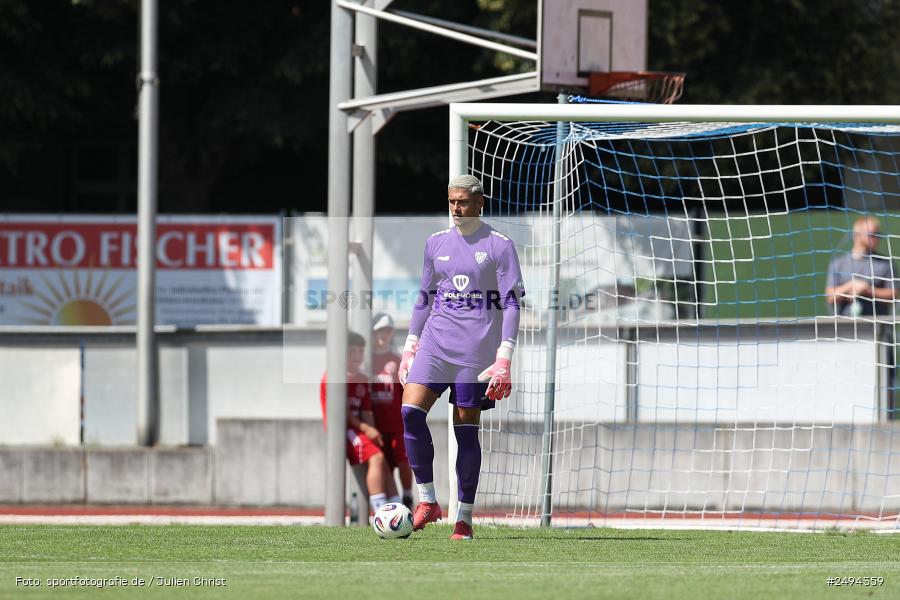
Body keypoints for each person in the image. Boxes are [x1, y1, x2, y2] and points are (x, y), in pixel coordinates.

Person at [398, 174, 525, 540]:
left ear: (479, 203)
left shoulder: (500, 246)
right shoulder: (435, 242)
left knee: (465, 431)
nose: (456, 208)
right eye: (452, 201)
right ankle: (428, 501)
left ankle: (463, 519)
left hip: (476, 352)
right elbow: (425, 296)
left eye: (463, 202)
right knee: (410, 412)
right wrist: (410, 346)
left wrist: (504, 358)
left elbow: (511, 304)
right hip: (435, 346)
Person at [320, 330, 398, 514]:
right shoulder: (332, 377)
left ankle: (397, 507)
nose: (357, 355)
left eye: (360, 351)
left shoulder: (362, 378)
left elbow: (365, 410)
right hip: (344, 431)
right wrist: (366, 429)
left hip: (360, 429)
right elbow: (342, 412)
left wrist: (373, 430)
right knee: (377, 458)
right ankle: (380, 512)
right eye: (352, 351)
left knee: (384, 461)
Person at [370, 312, 415, 509]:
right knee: (384, 466)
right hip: (376, 424)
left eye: (387, 330)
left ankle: (407, 496)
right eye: (380, 330)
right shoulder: (367, 360)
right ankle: (387, 507)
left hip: (396, 424)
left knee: (404, 461)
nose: (384, 334)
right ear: (373, 333)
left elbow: (405, 391)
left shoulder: (396, 361)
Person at [825, 216, 897, 316]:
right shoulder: (839, 263)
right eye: (872, 234)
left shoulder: (885, 263)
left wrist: (866, 290)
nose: (876, 239)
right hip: (845, 324)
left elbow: (893, 295)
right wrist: (850, 286)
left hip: (877, 323)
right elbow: (829, 296)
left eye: (878, 235)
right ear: (857, 235)